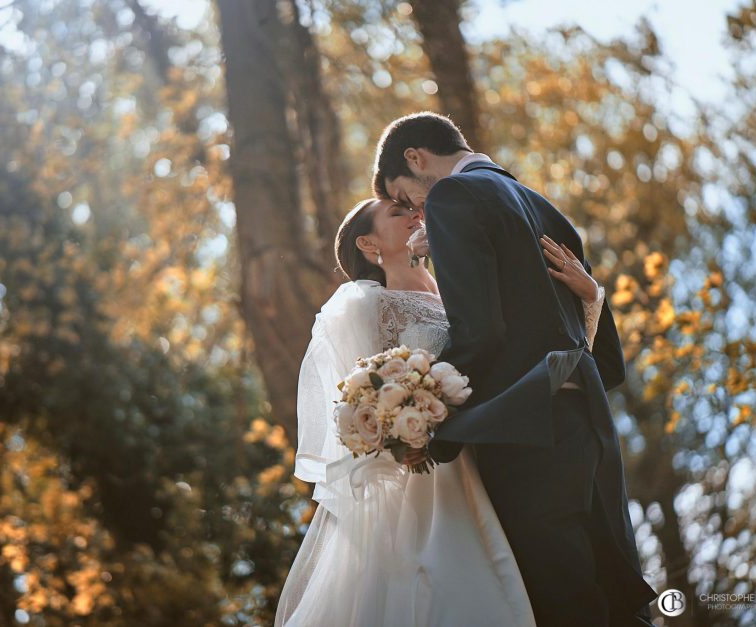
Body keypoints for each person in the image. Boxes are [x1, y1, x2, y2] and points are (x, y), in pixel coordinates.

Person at [373, 111, 658, 626]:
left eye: (404, 195)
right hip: (588, 426)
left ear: (415, 158)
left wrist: (431, 421)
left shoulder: (452, 198)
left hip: (526, 433)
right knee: (616, 595)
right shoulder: (543, 207)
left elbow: (480, 331)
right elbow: (595, 351)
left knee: (562, 601)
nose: (414, 209)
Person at [274, 192, 608, 626]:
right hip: (430, 476)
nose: (416, 213)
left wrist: (590, 298)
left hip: (499, 457)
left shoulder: (470, 295)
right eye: (397, 213)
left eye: (414, 208)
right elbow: (358, 402)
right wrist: (396, 430)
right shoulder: (369, 308)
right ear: (368, 245)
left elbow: (547, 361)